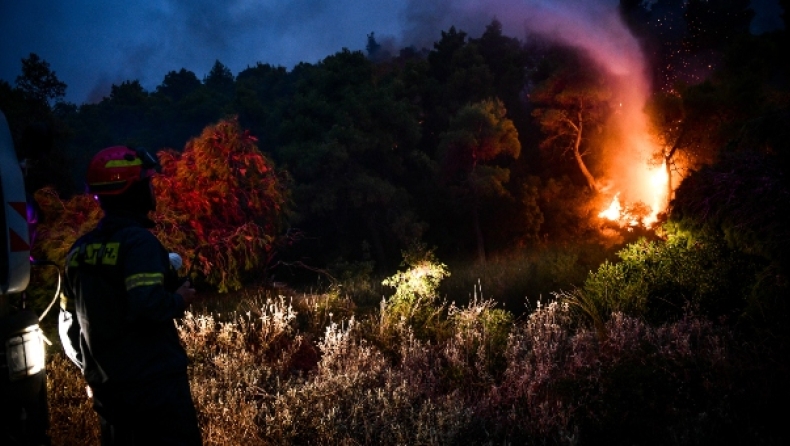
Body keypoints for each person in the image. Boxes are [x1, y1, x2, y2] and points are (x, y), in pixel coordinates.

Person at [59, 146, 202, 445]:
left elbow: (68, 323)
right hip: (155, 390)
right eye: (147, 183)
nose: (153, 189)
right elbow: (148, 306)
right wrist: (180, 298)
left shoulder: (78, 251)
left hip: (109, 393)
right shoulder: (138, 243)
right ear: (132, 191)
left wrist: (92, 371)